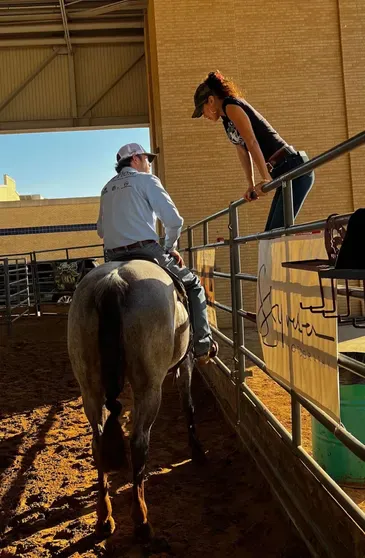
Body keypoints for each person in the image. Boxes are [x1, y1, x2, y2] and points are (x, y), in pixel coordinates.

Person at [96, 142, 218, 364]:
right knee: (193, 285)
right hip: (145, 250)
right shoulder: (146, 180)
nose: (149, 164)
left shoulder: (106, 189)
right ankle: (202, 344)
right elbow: (174, 221)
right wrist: (170, 247)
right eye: (147, 159)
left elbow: (100, 231)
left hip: (111, 257)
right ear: (135, 159)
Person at [192, 71, 314, 231]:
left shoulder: (231, 106)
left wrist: (265, 178)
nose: (204, 116)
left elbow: (252, 142)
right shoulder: (226, 120)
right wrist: (250, 184)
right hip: (282, 172)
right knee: (271, 234)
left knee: (274, 234)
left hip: (294, 169)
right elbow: (242, 150)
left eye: (203, 111)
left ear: (211, 100)